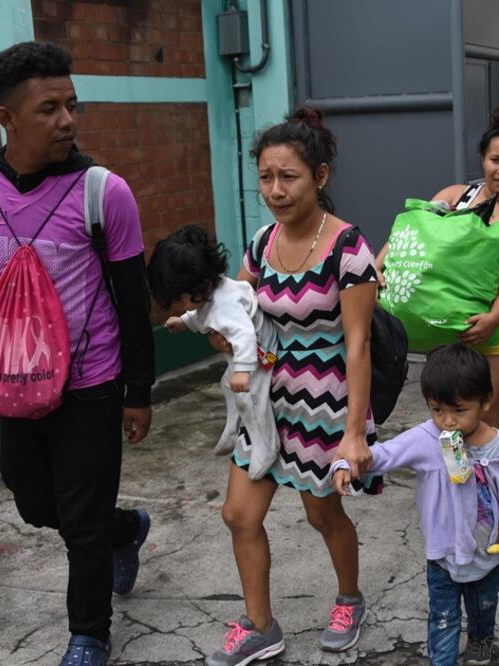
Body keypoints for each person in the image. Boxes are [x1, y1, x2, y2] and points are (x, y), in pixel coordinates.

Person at [0, 42, 155, 666]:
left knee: (79, 516)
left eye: (72, 105)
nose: (68, 121)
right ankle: (124, 528)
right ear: (6, 117)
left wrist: (139, 390)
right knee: (35, 502)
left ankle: (89, 634)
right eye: (50, 108)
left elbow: (132, 301)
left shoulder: (105, 193)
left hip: (91, 380)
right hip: (16, 381)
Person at [205, 106, 380, 665]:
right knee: (238, 514)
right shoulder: (260, 243)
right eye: (265, 177)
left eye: (289, 177)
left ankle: (349, 598)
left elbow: (358, 344)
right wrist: (221, 333)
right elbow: (238, 311)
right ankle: (260, 626)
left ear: (320, 177)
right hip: (266, 397)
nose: (275, 190)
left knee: (322, 513)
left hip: (325, 400)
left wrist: (355, 434)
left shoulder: (348, 249)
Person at [330, 344, 499, 666]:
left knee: (484, 606)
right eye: (437, 410)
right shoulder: (425, 439)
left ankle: (481, 638)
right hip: (443, 554)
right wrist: (345, 465)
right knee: (443, 617)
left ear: (486, 401)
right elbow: (379, 456)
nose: (447, 421)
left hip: (489, 551)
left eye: (459, 411)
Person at [376, 107, 499, 428]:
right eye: (496, 160)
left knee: (484, 415)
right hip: (443, 326)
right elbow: (413, 233)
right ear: (482, 160)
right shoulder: (454, 195)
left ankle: (485, 479)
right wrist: (377, 265)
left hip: (498, 328)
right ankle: (452, 476)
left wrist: (493, 317)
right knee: (447, 413)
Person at [147, 225, 280, 479]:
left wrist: (242, 370)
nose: (180, 304)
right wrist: (184, 321)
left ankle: (267, 445)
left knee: (250, 397)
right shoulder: (211, 294)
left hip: (263, 356)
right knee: (227, 385)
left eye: (182, 299)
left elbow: (244, 334)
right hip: (249, 355)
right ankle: (234, 428)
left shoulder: (225, 304)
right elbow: (202, 315)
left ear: (203, 285)